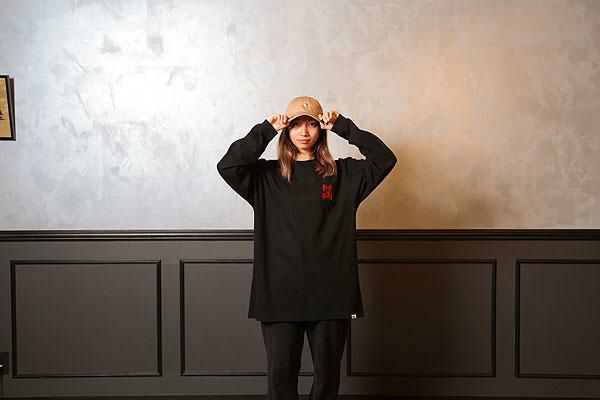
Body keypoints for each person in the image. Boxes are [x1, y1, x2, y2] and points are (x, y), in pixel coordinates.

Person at [216, 96, 397, 399]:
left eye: (311, 124)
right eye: (296, 124)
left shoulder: (343, 174)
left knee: (326, 380)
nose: (304, 131)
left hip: (331, 292)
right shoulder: (265, 177)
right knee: (281, 378)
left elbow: (384, 159)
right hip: (279, 292)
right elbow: (229, 165)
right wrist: (265, 129)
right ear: (286, 129)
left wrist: (343, 127)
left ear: (321, 129)